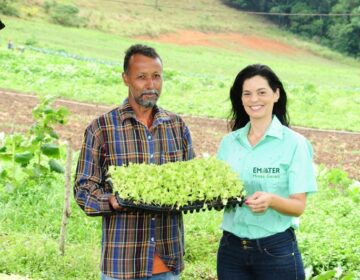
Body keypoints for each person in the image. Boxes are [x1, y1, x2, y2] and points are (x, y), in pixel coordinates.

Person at [74, 44, 195, 280]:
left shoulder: (176, 126)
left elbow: (190, 182)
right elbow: (83, 191)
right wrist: (113, 201)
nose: (151, 85)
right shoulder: (102, 128)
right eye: (141, 77)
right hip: (122, 264)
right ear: (125, 79)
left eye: (156, 76)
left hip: (168, 264)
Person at [216, 64, 317, 280]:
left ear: (276, 94)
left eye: (262, 92)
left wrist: (271, 200)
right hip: (230, 250)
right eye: (247, 93)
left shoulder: (295, 144)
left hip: (275, 250)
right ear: (240, 98)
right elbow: (218, 191)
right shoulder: (229, 143)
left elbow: (298, 206)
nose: (254, 99)